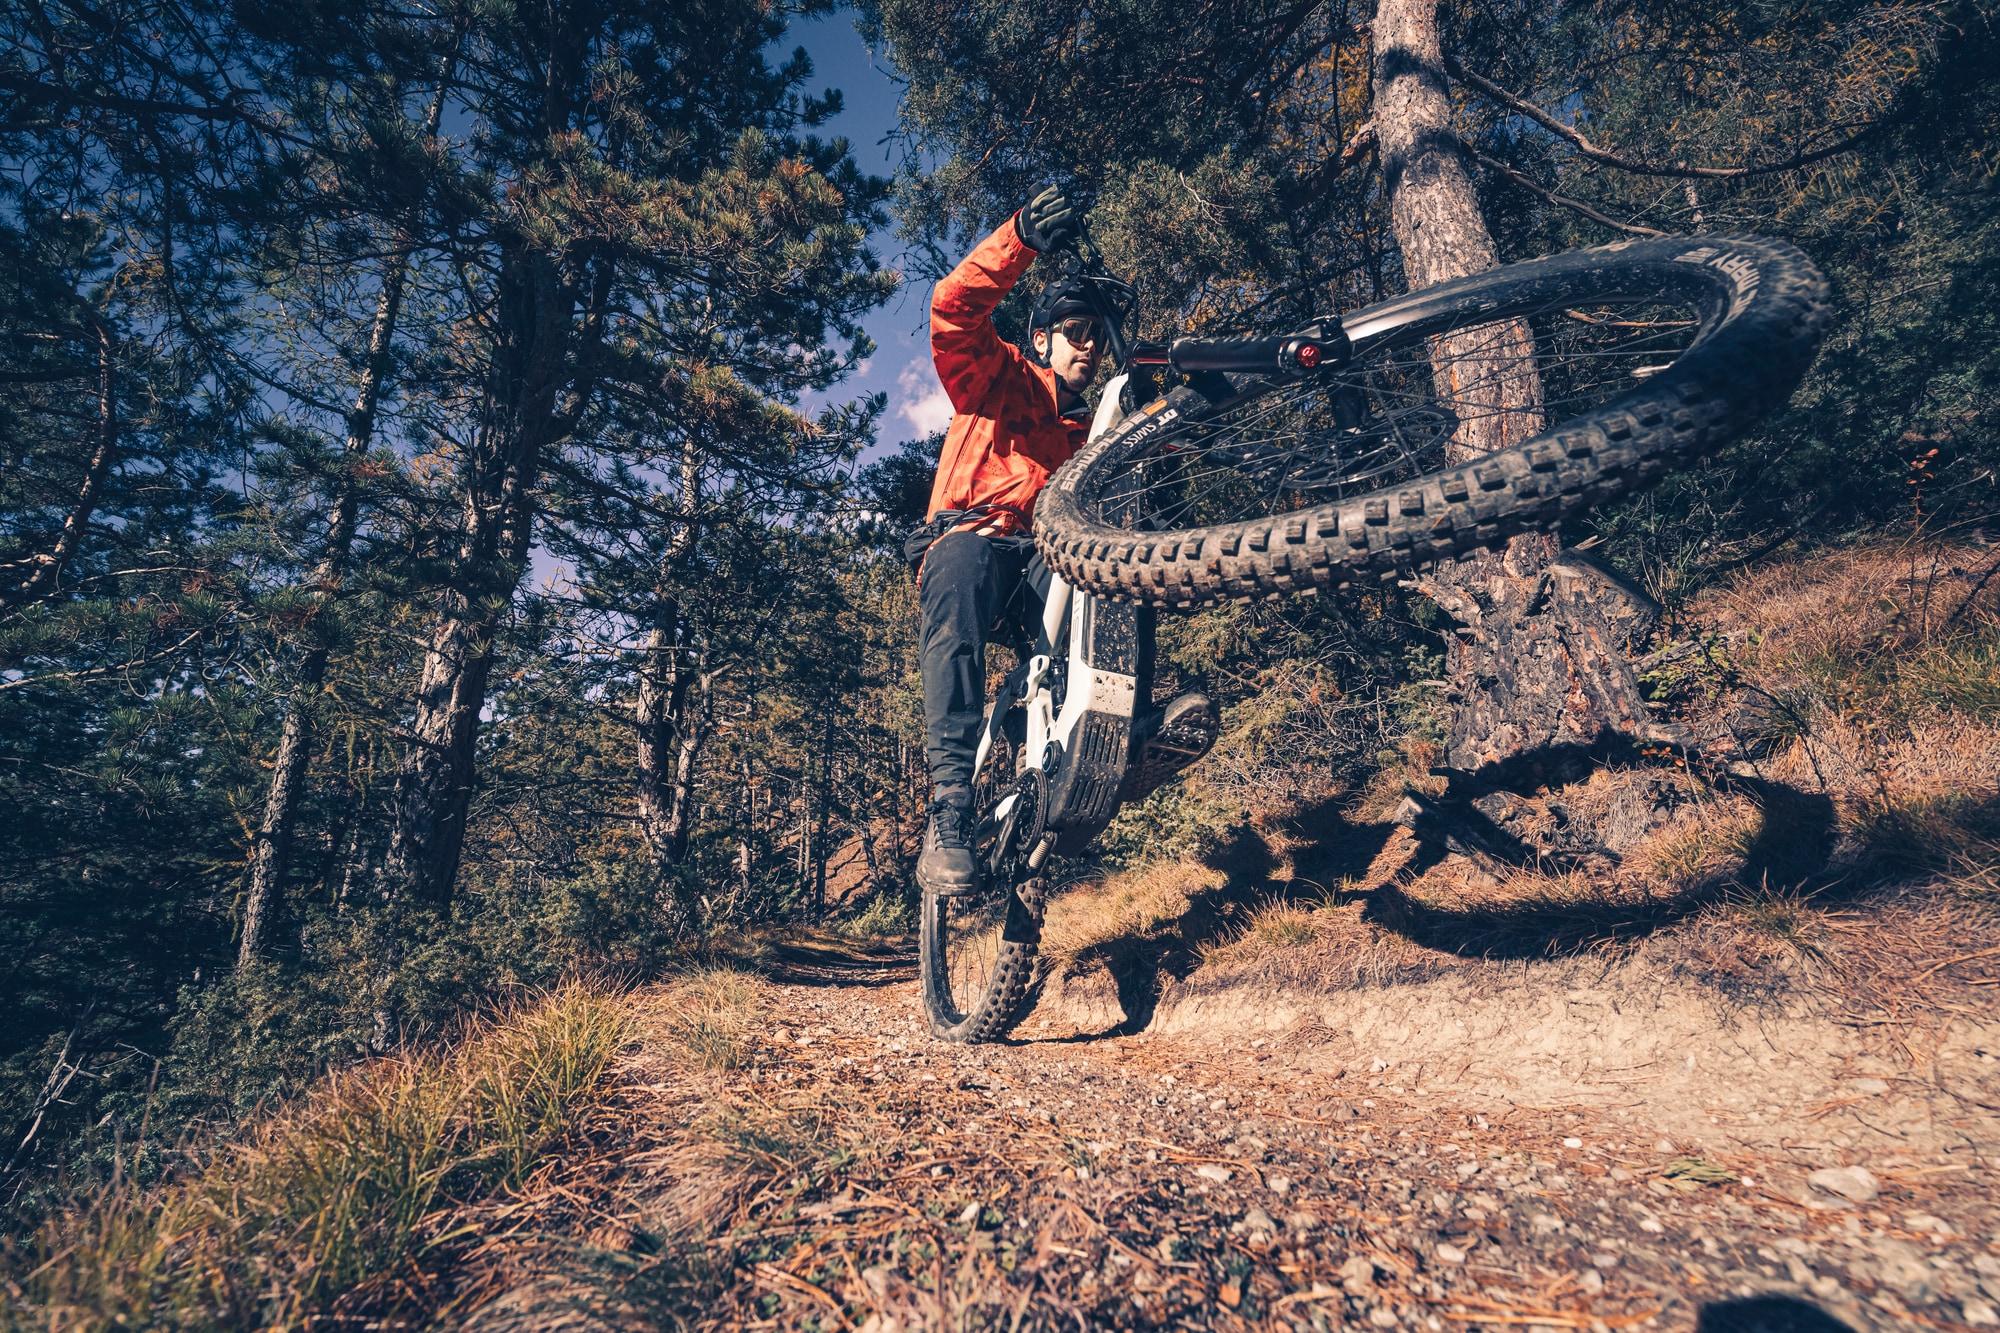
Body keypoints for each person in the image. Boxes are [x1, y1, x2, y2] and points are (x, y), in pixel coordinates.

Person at [913, 186, 1216, 897]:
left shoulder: (1096, 432)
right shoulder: (997, 377)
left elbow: (1155, 504)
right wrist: (1020, 238)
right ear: (1040, 339)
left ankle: (1125, 730)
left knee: (1113, 570)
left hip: (1050, 568)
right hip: (976, 541)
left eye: (1094, 334)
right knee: (962, 569)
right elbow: (953, 309)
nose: (1087, 344)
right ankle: (951, 807)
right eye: (1072, 330)